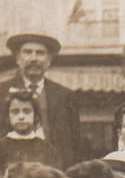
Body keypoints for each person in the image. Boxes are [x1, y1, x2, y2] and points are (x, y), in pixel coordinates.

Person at [0, 33, 80, 167]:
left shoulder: (65, 96)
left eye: (40, 53)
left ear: (49, 61)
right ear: (17, 59)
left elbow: (75, 143)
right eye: (27, 52)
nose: (34, 58)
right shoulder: (1, 92)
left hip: (55, 173)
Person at [0, 92, 59, 170]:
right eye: (15, 112)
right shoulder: (2, 147)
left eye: (27, 111)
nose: (21, 117)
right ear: (8, 116)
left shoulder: (47, 149)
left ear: (35, 116)